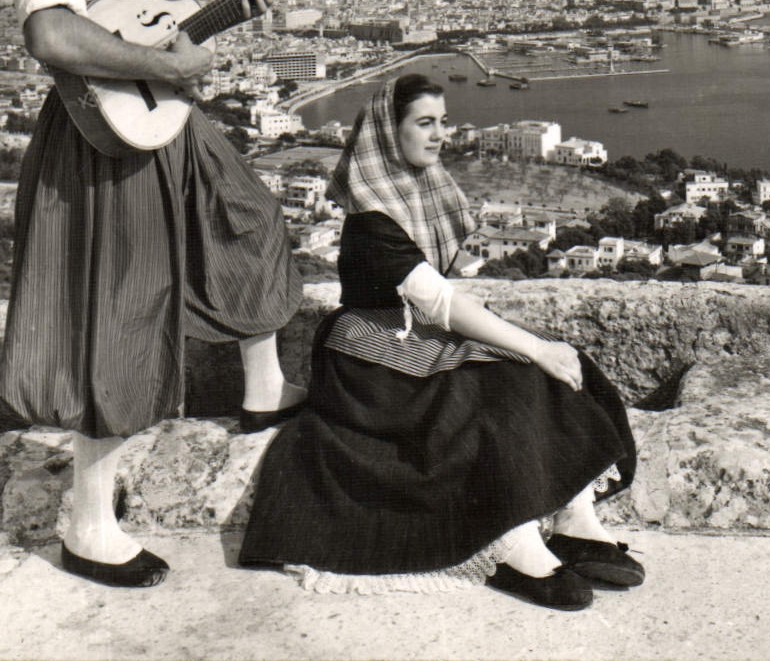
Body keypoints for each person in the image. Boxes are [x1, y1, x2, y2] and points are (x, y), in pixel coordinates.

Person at [0, 0, 306, 589]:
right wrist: (169, 69)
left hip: (154, 120)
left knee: (246, 218)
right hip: (102, 138)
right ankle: (90, 526)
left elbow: (144, 29)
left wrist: (227, 16)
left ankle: (265, 389)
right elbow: (51, 33)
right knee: (121, 310)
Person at [239, 74, 641, 611]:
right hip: (364, 355)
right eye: (424, 124)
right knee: (498, 380)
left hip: (406, 335)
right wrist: (535, 347)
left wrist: (540, 351)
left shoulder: (416, 191)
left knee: (548, 366)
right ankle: (511, 541)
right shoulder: (372, 217)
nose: (439, 136)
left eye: (442, 123)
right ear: (388, 132)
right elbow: (438, 301)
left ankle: (574, 516)